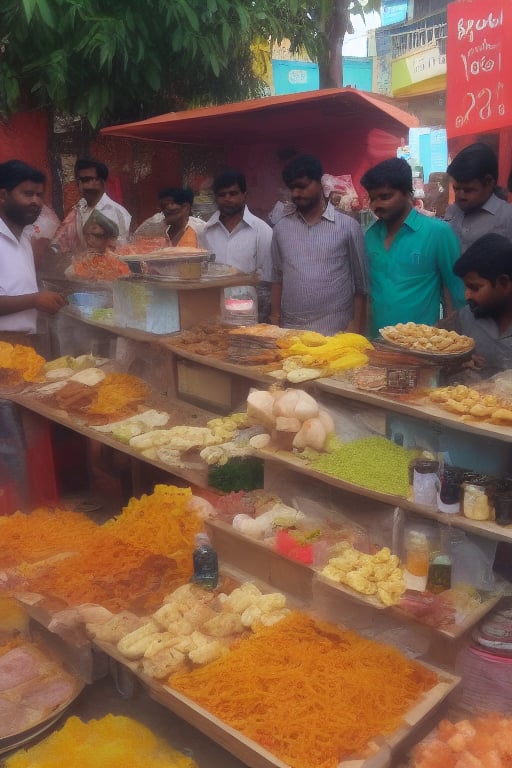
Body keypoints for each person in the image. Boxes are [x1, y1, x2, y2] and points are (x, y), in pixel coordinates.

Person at [360, 157, 465, 338]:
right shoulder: (370, 235)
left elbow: (456, 292)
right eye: (372, 198)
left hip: (421, 347)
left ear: (408, 194)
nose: (376, 205)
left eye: (385, 197)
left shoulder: (438, 233)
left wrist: (449, 340)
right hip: (378, 346)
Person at [270, 154, 368, 335]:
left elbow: (361, 286)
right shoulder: (281, 228)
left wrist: (356, 327)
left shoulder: (348, 227)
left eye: (303, 186)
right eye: (292, 188)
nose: (296, 193)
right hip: (291, 332)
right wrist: (275, 321)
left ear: (320, 184)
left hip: (336, 332)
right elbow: (277, 278)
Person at [0, 159, 66, 340]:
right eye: (28, 194)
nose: (36, 202)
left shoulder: (25, 236)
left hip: (20, 342)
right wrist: (34, 300)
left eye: (39, 195)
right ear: (3, 196)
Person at [201, 169, 273, 322]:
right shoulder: (206, 231)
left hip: (248, 315)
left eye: (233, 194)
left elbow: (266, 282)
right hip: (212, 314)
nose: (227, 199)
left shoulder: (261, 231)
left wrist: (262, 319)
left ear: (244, 195)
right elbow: (202, 273)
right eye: (222, 195)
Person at [448, 233, 512, 375]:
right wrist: (456, 363)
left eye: (475, 288)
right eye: (466, 287)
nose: (467, 295)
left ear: (504, 283)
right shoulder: (464, 318)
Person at [52, 157, 131, 253]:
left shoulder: (118, 213)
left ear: (101, 182)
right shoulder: (78, 210)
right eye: (79, 180)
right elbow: (62, 240)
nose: (81, 185)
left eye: (86, 180)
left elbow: (123, 251)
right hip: (81, 266)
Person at [444, 142, 512, 252]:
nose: (460, 195)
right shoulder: (452, 211)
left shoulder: (507, 218)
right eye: (456, 188)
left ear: (489, 182)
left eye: (468, 190)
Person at [133, 187, 206, 246]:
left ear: (185, 207)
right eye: (162, 206)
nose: (165, 210)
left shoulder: (201, 229)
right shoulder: (156, 225)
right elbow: (135, 241)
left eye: (169, 204)